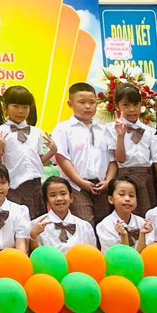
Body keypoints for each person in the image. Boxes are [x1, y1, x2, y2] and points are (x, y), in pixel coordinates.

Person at [52, 82, 116, 225]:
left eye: (92, 102)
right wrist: (80, 182)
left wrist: (108, 181)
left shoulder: (104, 130)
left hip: (102, 186)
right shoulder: (64, 129)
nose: (88, 106)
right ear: (70, 104)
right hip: (76, 186)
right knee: (85, 224)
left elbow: (112, 160)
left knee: (105, 225)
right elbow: (62, 158)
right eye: (82, 102)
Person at [0, 84, 49, 218]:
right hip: (13, 186)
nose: (20, 111)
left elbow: (39, 160)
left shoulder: (36, 132)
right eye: (15, 106)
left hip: (36, 185)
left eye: (25, 107)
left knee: (38, 221)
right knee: (16, 221)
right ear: (5, 107)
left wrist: (52, 151)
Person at [113, 85, 157, 208]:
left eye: (135, 104)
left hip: (147, 178)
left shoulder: (150, 131)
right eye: (126, 105)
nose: (132, 109)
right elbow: (120, 159)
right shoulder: (111, 129)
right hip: (124, 177)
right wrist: (120, 136)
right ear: (117, 106)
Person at [29, 177, 97, 252]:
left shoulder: (84, 226)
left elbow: (92, 253)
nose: (59, 198)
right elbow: (35, 255)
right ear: (47, 201)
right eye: (53, 195)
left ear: (71, 198)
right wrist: (33, 235)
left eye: (63, 194)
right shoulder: (36, 226)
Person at [96, 178, 151, 251]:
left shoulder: (143, 223)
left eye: (131, 195)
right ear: (111, 199)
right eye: (122, 194)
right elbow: (119, 256)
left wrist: (142, 235)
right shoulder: (105, 226)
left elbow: (145, 253)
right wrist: (123, 236)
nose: (127, 199)